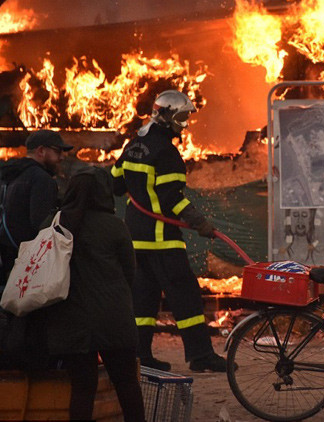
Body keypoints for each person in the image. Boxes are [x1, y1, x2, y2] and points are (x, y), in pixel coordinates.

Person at [112, 89, 228, 372]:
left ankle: (140, 356)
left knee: (143, 300)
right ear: (166, 116)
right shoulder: (167, 153)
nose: (185, 124)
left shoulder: (134, 145)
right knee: (186, 297)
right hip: (163, 241)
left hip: (136, 240)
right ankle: (201, 356)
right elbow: (171, 199)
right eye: (181, 117)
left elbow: (115, 184)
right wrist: (200, 222)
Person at [45, 166, 145, 421]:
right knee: (126, 384)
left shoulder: (54, 224)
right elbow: (130, 272)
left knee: (82, 388)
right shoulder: (115, 226)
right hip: (113, 318)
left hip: (71, 321)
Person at [0, 130, 72, 285]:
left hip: (7, 256)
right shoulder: (42, 180)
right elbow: (42, 225)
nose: (62, 157)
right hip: (29, 264)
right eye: (57, 151)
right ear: (41, 151)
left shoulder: (11, 174)